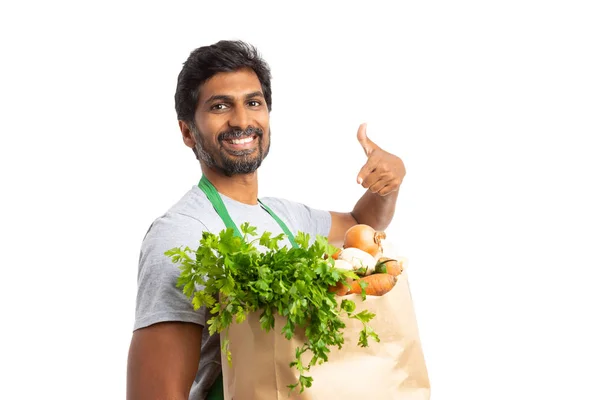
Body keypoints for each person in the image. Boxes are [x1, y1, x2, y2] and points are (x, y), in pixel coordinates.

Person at [126, 40, 406, 400]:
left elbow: (361, 223)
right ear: (187, 131)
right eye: (220, 106)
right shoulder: (181, 234)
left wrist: (389, 181)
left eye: (253, 103)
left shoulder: (285, 217)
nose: (242, 120)